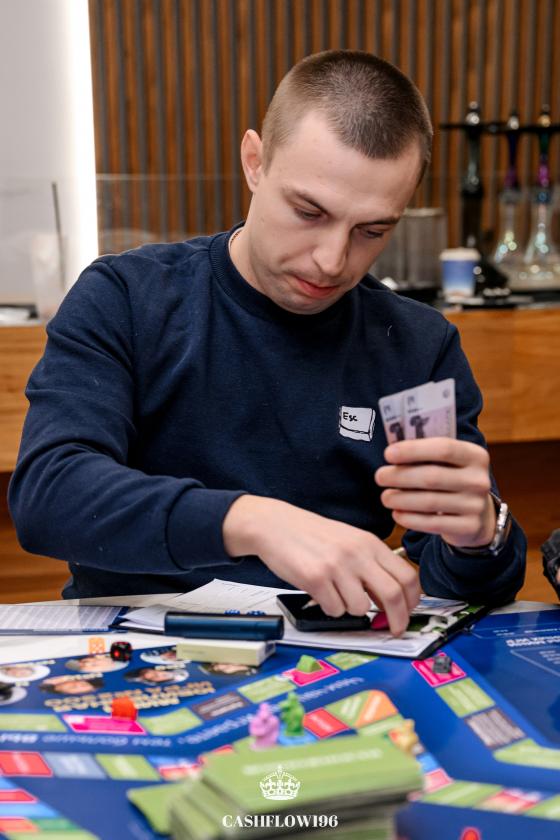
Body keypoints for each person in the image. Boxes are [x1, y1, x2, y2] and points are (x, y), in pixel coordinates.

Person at [9, 50, 526, 636]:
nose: (332, 260)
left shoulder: (416, 346)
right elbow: (50, 494)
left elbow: (466, 586)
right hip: (138, 647)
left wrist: (479, 537)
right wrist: (253, 522)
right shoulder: (126, 297)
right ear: (255, 162)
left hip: (333, 654)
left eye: (372, 230)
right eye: (309, 212)